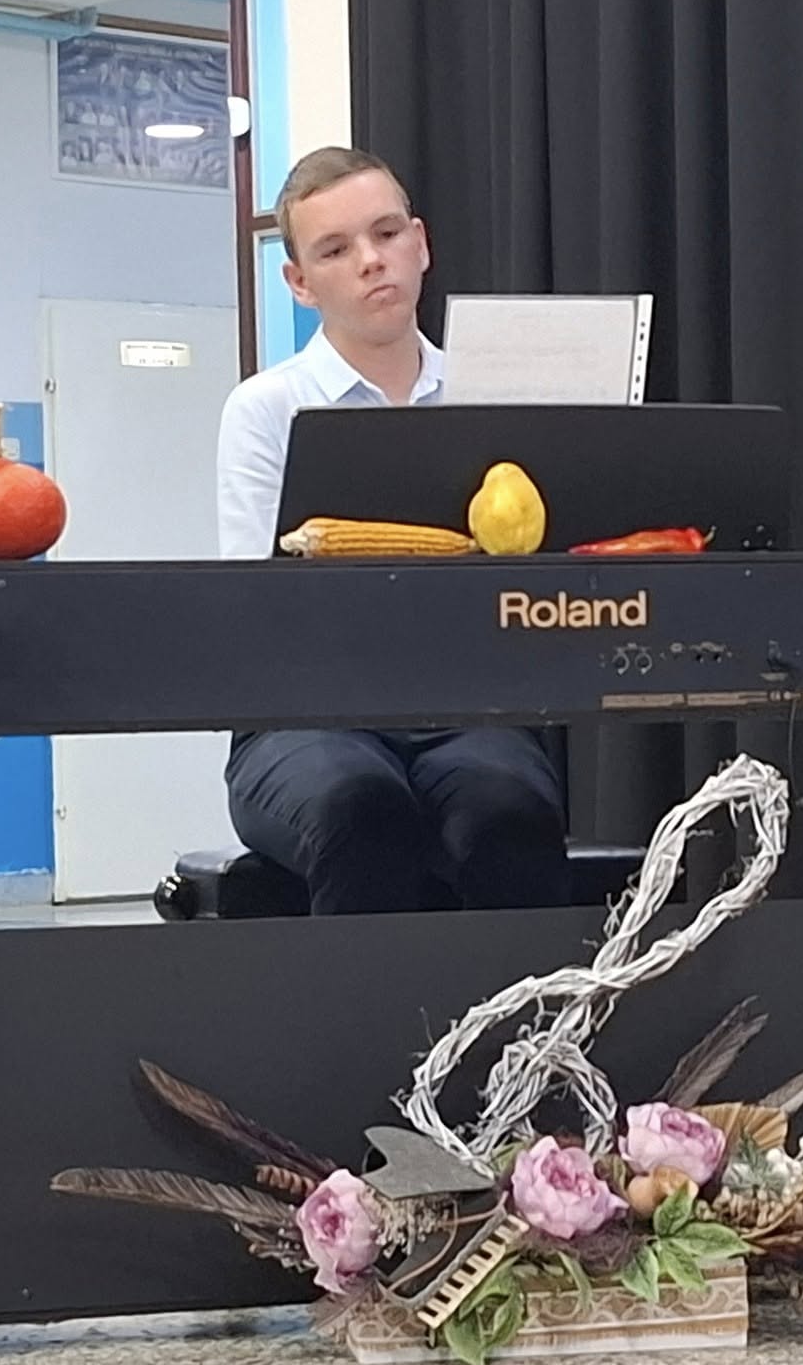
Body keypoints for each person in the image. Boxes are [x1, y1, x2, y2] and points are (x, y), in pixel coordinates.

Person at [214, 146, 570, 915]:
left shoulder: (495, 402)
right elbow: (253, 602)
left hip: (468, 712)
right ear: (300, 283)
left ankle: (528, 998)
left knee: (511, 816)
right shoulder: (267, 409)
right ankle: (358, 1001)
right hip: (303, 720)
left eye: (385, 234)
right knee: (361, 813)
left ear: (421, 243)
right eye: (336, 250)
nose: (371, 261)